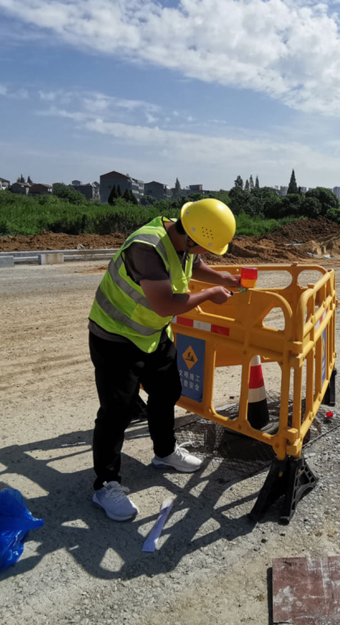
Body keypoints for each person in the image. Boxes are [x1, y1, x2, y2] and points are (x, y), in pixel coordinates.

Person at [87, 199, 241, 521]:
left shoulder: (180, 239)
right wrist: (211, 295)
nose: (207, 254)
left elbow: (193, 265)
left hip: (151, 336)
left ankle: (164, 452)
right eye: (207, 247)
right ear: (193, 237)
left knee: (167, 391)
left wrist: (222, 278)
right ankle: (106, 486)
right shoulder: (146, 247)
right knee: (117, 412)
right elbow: (164, 304)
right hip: (115, 336)